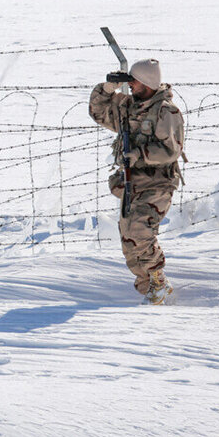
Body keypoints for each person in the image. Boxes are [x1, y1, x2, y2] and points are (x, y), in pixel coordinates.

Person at [89, 58, 185, 304]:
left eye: (135, 81)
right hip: (132, 183)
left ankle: (158, 283)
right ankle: (151, 287)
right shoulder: (127, 107)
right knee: (129, 239)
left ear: (148, 82)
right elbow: (98, 112)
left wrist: (140, 154)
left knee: (140, 231)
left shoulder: (166, 111)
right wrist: (108, 89)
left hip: (157, 183)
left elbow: (171, 150)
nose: (130, 85)